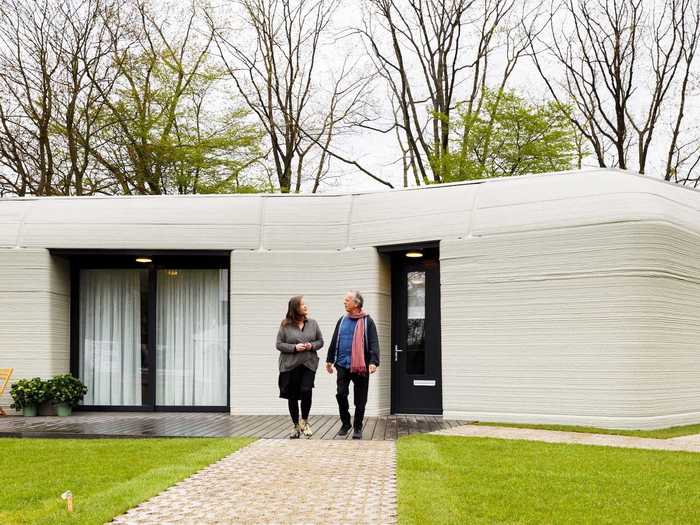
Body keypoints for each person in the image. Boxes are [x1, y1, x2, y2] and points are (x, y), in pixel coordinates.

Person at [325, 290, 380, 439]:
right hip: (342, 364)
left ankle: (357, 426)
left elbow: (374, 342)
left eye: (347, 300)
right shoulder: (342, 320)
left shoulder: (368, 321)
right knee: (341, 394)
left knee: (360, 399)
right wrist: (329, 360)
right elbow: (334, 340)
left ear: (356, 303)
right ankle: (346, 423)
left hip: (361, 366)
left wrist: (373, 361)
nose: (344, 302)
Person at [276, 295, 324, 439]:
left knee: (306, 390)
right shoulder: (285, 325)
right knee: (292, 396)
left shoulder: (313, 323)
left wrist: (311, 345)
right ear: (295, 308)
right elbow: (279, 344)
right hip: (290, 365)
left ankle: (304, 421)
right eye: (302, 304)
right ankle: (296, 426)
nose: (306, 306)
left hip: (309, 363)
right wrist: (295, 347)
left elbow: (320, 341)